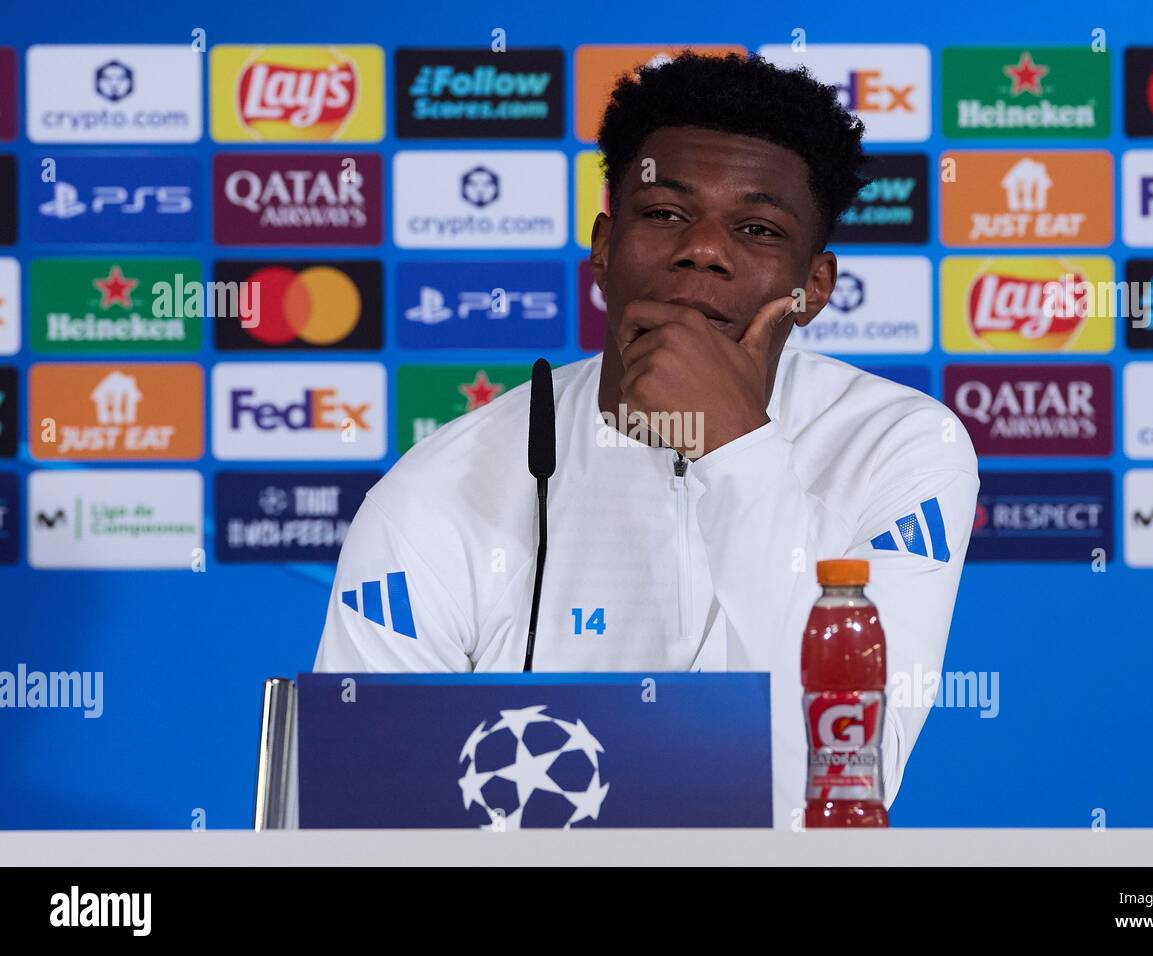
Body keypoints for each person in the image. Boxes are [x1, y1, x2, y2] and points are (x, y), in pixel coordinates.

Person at [314, 51, 979, 826]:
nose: (704, 249)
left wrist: (732, 444)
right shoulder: (437, 488)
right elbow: (363, 816)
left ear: (816, 286)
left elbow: (848, 777)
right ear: (602, 245)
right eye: (665, 213)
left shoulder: (899, 446)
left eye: (758, 228)